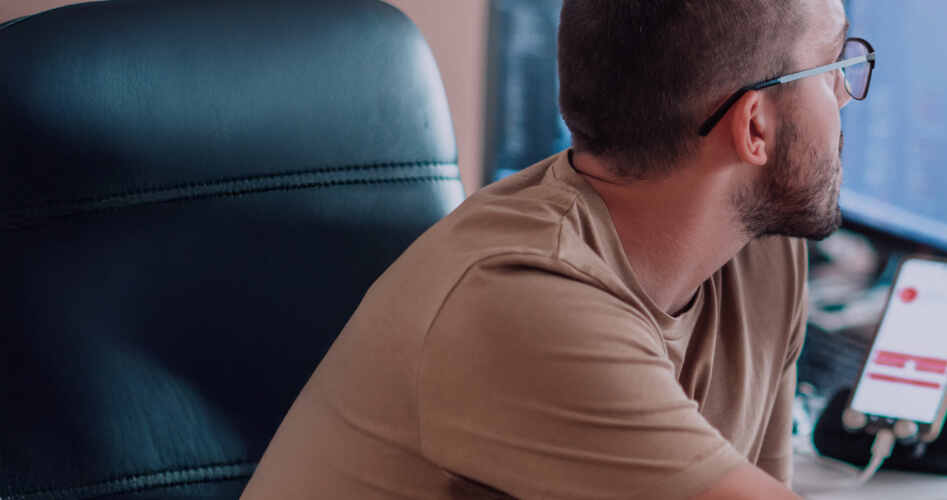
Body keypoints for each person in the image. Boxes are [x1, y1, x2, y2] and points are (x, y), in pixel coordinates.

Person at [245, 0, 867, 497]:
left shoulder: (757, 250)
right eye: (833, 64)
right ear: (754, 125)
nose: (844, 94)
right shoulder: (522, 297)